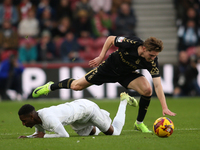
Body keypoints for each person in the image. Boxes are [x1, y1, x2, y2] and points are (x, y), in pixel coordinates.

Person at [32, 35, 176, 133]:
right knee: (77, 86)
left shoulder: (152, 61)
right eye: (151, 55)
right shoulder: (132, 43)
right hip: (108, 68)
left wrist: (165, 107)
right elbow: (111, 39)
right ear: (144, 48)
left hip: (127, 74)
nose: (153, 59)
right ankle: (50, 86)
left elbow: (158, 85)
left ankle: (138, 123)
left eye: (155, 56)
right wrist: (101, 57)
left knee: (147, 90)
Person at [18, 92, 137, 138]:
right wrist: (28, 137)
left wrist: (44, 137)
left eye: (24, 121)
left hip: (87, 110)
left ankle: (124, 101)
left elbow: (64, 136)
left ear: (32, 117)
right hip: (76, 119)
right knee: (91, 133)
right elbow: (39, 133)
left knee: (114, 133)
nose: (23, 124)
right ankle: (103, 117)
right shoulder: (37, 119)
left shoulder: (48, 118)